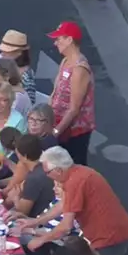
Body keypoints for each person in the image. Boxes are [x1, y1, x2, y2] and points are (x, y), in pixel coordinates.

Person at [47, 22, 95, 166]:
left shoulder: (80, 68)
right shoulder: (66, 61)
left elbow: (74, 108)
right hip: (60, 124)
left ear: (69, 40)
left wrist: (56, 131)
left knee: (73, 167)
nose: (56, 43)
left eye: (59, 39)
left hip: (74, 131)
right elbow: (55, 93)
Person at [3, 103, 59, 195]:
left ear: (48, 122)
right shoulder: (30, 137)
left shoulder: (48, 143)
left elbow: (25, 174)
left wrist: (7, 163)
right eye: (31, 119)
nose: (33, 123)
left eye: (39, 120)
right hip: (14, 183)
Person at [0, 30, 37, 104]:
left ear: (19, 52)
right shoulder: (1, 64)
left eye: (6, 51)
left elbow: (29, 102)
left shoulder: (27, 76)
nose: (2, 54)